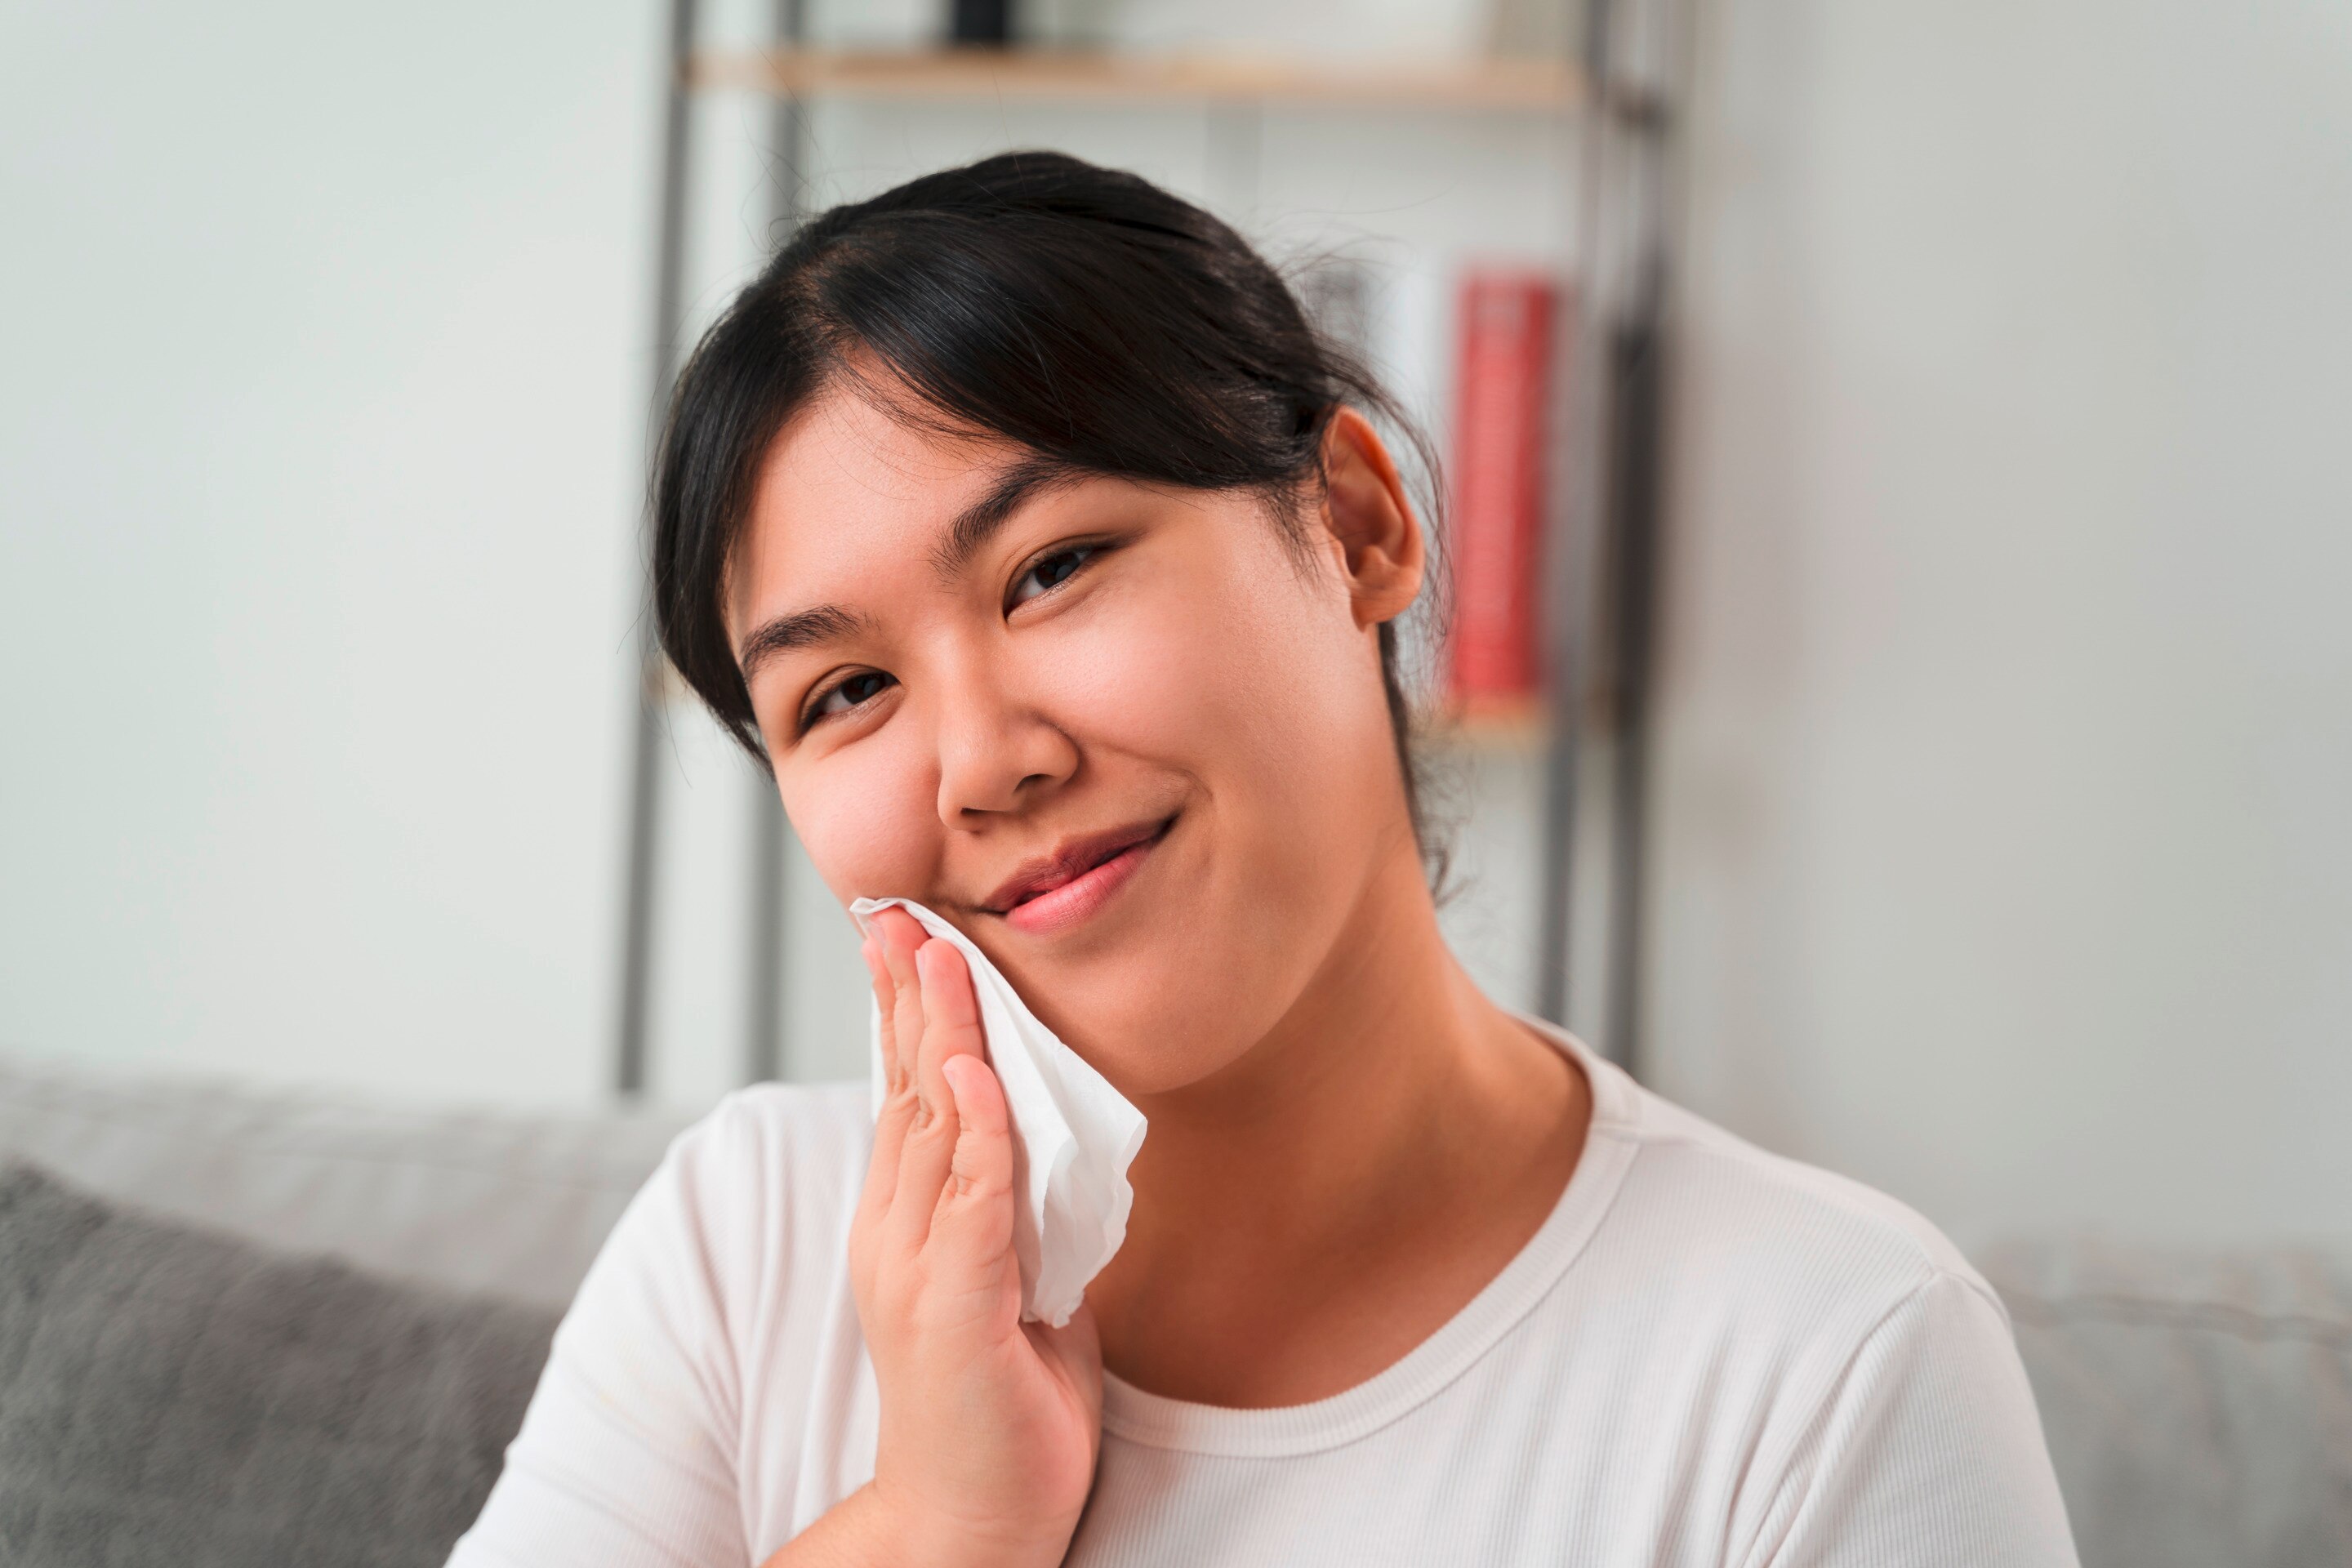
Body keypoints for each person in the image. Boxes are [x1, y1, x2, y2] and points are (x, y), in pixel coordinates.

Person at [448, 152, 2078, 1567]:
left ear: (1358, 523)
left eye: (1052, 567)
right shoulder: (751, 1245)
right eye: (847, 692)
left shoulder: (1829, 1363)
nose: (985, 759)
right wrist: (936, 1527)